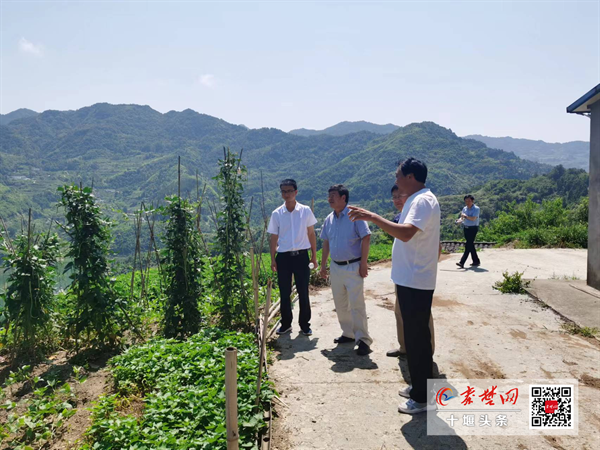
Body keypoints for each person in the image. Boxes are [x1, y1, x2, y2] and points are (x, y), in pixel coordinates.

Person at [348, 157, 440, 415]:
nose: (396, 180)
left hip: (416, 280)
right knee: (413, 337)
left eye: (398, 175)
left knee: (417, 339)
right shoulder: (416, 199)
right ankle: (419, 386)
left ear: (410, 177)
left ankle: (422, 398)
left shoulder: (422, 200)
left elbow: (406, 233)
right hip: (410, 278)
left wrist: (373, 217)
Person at [319, 184, 373, 356]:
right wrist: (323, 265)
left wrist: (363, 263)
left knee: (357, 304)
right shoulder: (329, 219)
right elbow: (326, 242)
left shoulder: (354, 215)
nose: (330, 199)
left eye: (333, 195)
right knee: (340, 303)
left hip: (353, 266)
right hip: (336, 266)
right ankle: (348, 333)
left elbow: (366, 237)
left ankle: (363, 340)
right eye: (329, 195)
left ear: (343, 197)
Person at [387, 185, 436, 359]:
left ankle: (426, 352)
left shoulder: (419, 212)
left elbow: (434, 245)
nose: (397, 200)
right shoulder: (400, 217)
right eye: (394, 197)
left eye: (400, 195)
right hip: (402, 275)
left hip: (416, 277)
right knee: (400, 312)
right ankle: (405, 347)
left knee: (421, 318)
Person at [268, 179, 318, 336]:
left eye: (289, 191)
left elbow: (311, 233)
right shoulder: (277, 213)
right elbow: (273, 237)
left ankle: (305, 325)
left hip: (302, 256)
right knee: (284, 292)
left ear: (296, 192)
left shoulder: (305, 211)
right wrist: (273, 259)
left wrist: (314, 256)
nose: (286, 194)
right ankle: (286, 324)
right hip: (283, 257)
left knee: (303, 291)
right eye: (284, 191)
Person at [456, 194, 481, 269]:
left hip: (473, 228)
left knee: (468, 244)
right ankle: (476, 261)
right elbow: (462, 218)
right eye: (466, 201)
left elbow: (473, 218)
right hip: (466, 228)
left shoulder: (476, 209)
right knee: (470, 245)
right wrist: (459, 221)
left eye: (469, 201)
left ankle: (462, 262)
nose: (467, 202)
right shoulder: (464, 208)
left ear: (472, 201)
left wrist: (465, 216)